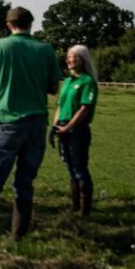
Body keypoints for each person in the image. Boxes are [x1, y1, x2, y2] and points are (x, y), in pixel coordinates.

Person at [0, 6, 61, 242]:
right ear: (31, 24)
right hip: (38, 122)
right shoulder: (46, 49)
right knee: (25, 182)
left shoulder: (0, 46)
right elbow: (53, 88)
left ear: (8, 25)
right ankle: (18, 236)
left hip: (9, 122)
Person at [55, 44, 98, 216]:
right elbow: (60, 105)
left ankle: (84, 209)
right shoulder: (67, 81)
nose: (70, 60)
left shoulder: (87, 82)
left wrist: (68, 127)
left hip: (77, 129)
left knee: (80, 167)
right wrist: (55, 125)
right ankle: (75, 205)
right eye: (68, 56)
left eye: (74, 57)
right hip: (64, 126)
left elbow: (84, 109)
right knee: (70, 167)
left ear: (83, 59)